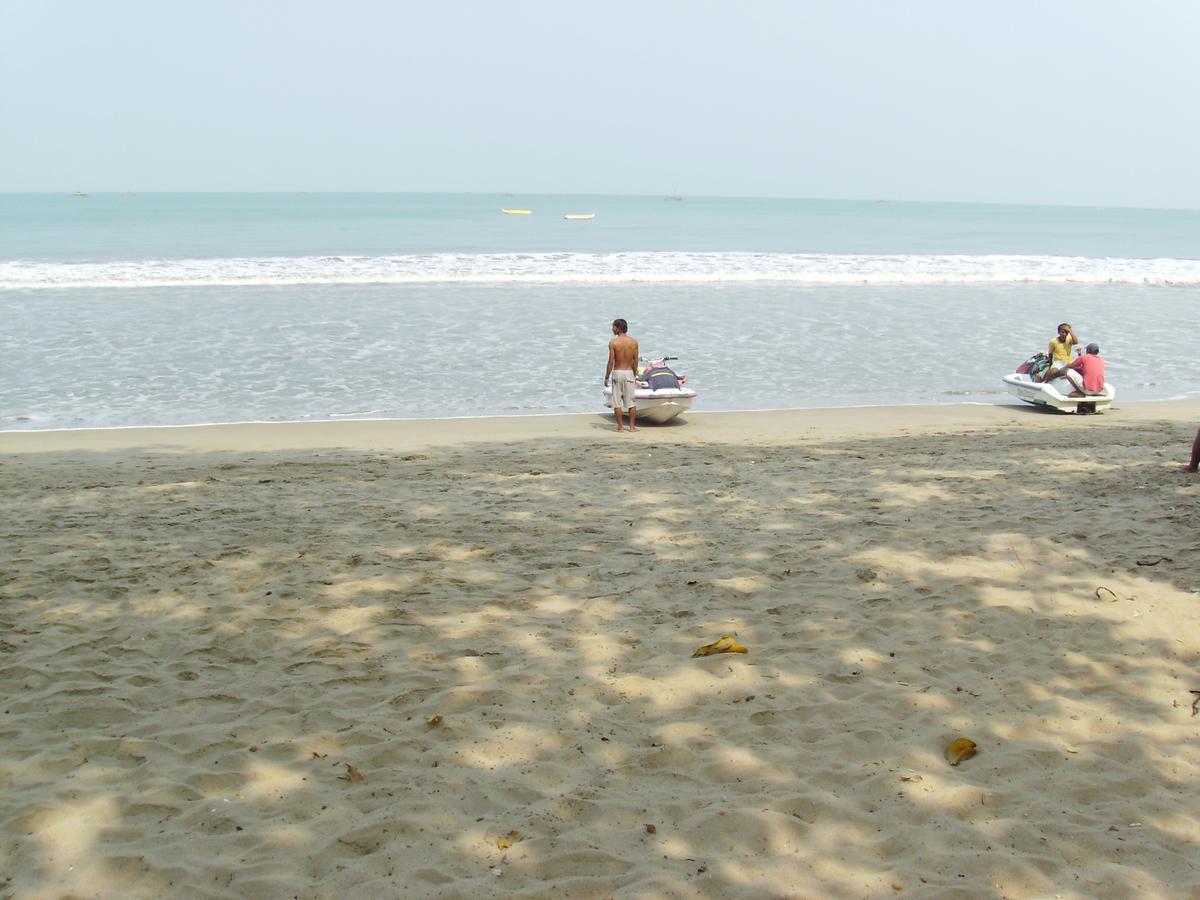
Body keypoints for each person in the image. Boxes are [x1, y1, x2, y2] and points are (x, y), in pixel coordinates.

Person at [604, 318, 640, 432]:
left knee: (617, 402)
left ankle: (620, 427)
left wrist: (606, 376)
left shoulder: (613, 343)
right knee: (631, 402)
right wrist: (633, 374)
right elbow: (635, 361)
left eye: (613, 326)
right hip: (629, 372)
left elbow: (611, 362)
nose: (612, 329)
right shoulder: (634, 342)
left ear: (618, 328)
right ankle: (632, 427)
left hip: (618, 372)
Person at [1061, 342, 1105, 412]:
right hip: (1098, 390)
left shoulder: (1084, 357)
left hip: (1087, 391)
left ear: (1088, 351)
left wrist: (1062, 369)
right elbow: (1086, 369)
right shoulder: (1101, 359)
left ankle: (1079, 392)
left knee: (1067, 371)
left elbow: (1071, 365)